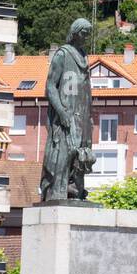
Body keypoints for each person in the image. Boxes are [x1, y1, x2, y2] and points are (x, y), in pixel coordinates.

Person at [40, 18, 94, 203]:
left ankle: (75, 190)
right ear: (75, 32)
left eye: (88, 34)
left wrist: (89, 116)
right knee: (63, 152)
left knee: (82, 154)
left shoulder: (84, 56)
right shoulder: (62, 54)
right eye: (84, 33)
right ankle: (57, 191)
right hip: (65, 113)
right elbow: (50, 86)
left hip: (82, 115)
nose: (86, 37)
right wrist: (61, 111)